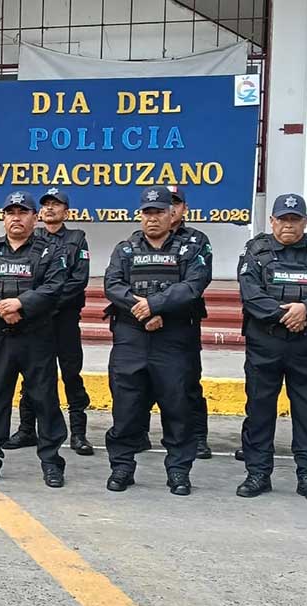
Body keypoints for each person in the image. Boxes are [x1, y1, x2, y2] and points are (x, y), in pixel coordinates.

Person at [102, 186, 210, 496]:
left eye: (160, 212)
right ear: (141, 215)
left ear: (171, 214)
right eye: (147, 213)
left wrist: (156, 305)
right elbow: (113, 284)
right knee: (126, 406)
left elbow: (193, 285)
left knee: (177, 406)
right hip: (131, 338)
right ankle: (122, 467)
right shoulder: (125, 249)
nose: (153, 219)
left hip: (174, 338)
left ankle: (178, 471)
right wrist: (143, 311)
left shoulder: (191, 247)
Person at [236, 193, 307, 503]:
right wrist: (287, 314)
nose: (288, 225)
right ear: (272, 222)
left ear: (304, 222)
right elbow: (250, 294)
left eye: (294, 220)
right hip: (266, 343)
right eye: (282, 219)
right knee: (259, 409)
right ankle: (258, 473)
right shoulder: (255, 250)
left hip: (306, 344)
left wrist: (305, 309)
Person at [0, 191, 68, 487]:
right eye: (11, 212)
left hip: (36, 337)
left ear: (34, 218)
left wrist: (20, 304)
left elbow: (54, 286)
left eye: (23, 212)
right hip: (0, 337)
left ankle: (51, 462)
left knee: (44, 400)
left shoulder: (50, 250)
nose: (16, 218)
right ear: (4, 217)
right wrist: (0, 309)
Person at [3, 187, 93, 456]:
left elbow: (78, 281)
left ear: (67, 211)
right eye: (46, 205)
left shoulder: (77, 239)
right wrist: (34, 305)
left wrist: (46, 302)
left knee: (70, 375)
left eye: (57, 204)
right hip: (35, 321)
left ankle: (78, 434)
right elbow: (26, 281)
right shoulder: (33, 238)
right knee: (31, 376)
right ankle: (27, 429)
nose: (50, 208)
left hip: (63, 319)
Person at [165, 186, 215, 458]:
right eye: (165, 203)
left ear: (184, 208)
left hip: (183, 321)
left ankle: (197, 437)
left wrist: (159, 305)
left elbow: (196, 282)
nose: (170, 208)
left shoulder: (197, 240)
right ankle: (140, 435)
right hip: (148, 323)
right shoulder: (138, 241)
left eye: (176, 203)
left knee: (188, 381)